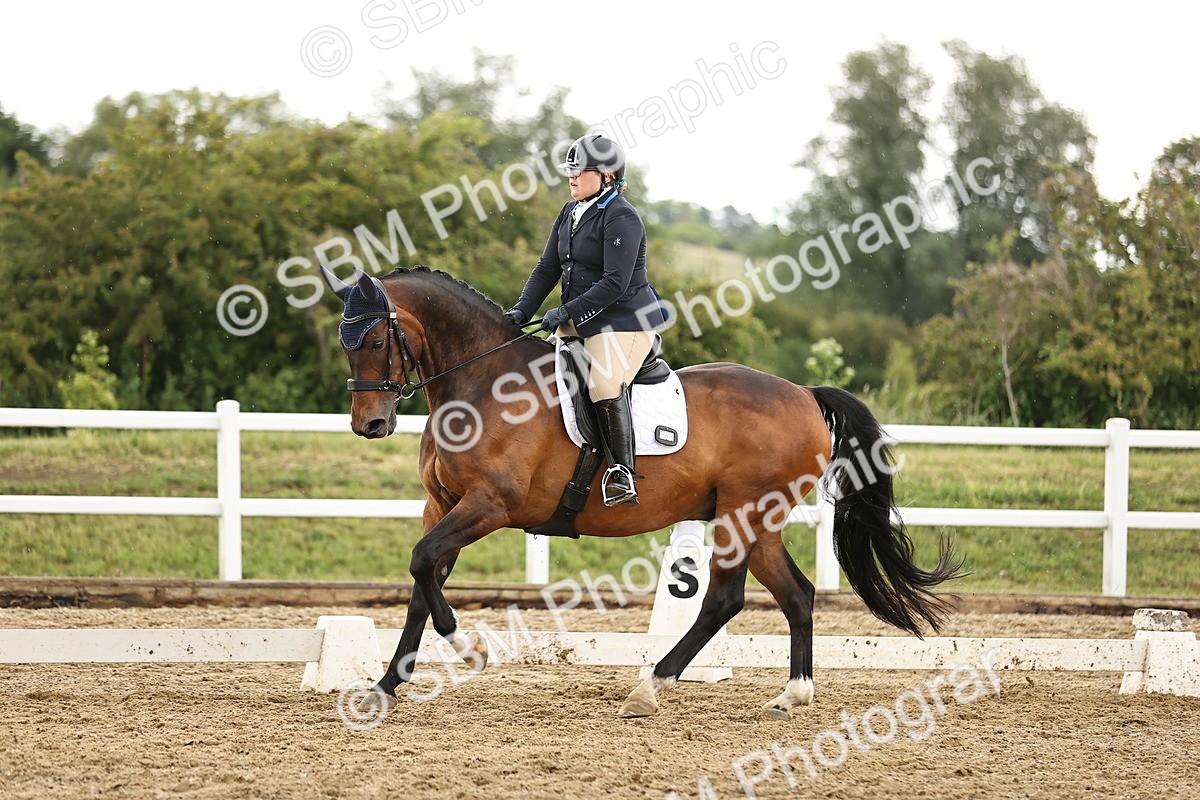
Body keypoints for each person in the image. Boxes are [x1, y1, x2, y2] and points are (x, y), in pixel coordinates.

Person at [504, 133, 665, 508]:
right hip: (580, 318)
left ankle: (622, 473)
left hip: (624, 320)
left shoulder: (622, 217)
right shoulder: (569, 212)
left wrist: (565, 312)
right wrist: (520, 311)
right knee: (533, 370)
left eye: (580, 171)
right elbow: (547, 268)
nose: (572, 177)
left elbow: (614, 283)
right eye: (570, 171)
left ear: (607, 176)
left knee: (603, 382)